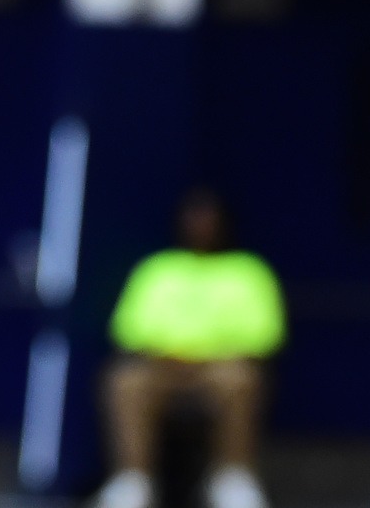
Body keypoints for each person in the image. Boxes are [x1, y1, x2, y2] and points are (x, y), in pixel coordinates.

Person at [93, 188, 285, 508]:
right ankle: (133, 481)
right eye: (194, 218)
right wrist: (169, 357)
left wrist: (207, 357)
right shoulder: (157, 269)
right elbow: (128, 332)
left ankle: (232, 479)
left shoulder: (249, 271)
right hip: (161, 368)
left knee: (241, 379)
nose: (201, 226)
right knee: (125, 380)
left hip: (220, 369)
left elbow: (263, 338)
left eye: (209, 218)